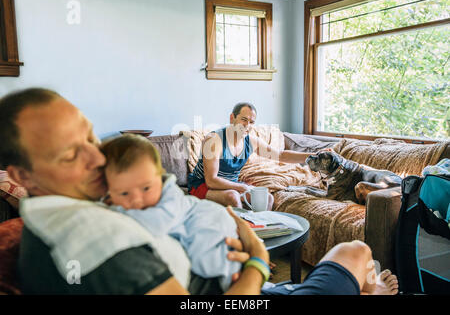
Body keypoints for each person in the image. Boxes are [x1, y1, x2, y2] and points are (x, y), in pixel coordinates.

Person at [0, 88, 398, 295]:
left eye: (90, 136)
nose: (97, 157)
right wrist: (258, 259)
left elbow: (279, 152)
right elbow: (212, 179)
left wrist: (313, 159)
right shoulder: (96, 241)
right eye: (71, 154)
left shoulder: (80, 210)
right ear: (21, 174)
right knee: (358, 253)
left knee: (261, 200)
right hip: (210, 192)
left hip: (219, 270)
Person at [100, 133, 241, 291]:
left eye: (146, 188)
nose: (137, 200)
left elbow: (157, 225)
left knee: (208, 264)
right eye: (124, 193)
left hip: (208, 222)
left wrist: (119, 209)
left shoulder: (169, 196)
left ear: (159, 177)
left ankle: (233, 278)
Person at [188, 102, 325, 210]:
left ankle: (261, 232)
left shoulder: (251, 141)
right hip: (202, 185)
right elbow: (211, 181)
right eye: (243, 120)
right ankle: (243, 240)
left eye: (251, 122)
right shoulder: (214, 140)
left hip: (230, 185)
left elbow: (281, 155)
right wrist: (242, 187)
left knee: (268, 198)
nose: (247, 125)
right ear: (232, 118)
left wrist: (315, 156)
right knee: (233, 197)